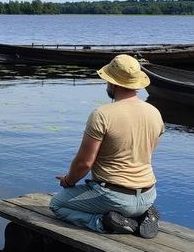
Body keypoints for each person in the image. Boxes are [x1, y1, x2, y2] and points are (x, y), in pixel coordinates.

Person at [50, 54, 163, 238]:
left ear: (113, 83)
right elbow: (147, 153)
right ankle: (142, 214)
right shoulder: (155, 113)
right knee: (126, 201)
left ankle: (105, 222)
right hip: (148, 195)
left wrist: (68, 181)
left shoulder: (102, 114)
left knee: (57, 204)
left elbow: (84, 164)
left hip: (114, 198)